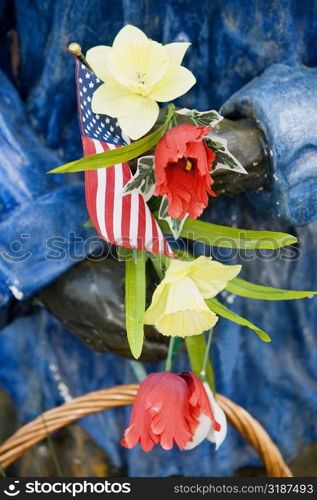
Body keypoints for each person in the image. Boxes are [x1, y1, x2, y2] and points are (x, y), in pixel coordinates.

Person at [0, 0, 316, 476]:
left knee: (276, 454)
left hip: (283, 306)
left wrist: (284, 133)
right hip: (58, 323)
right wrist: (37, 238)